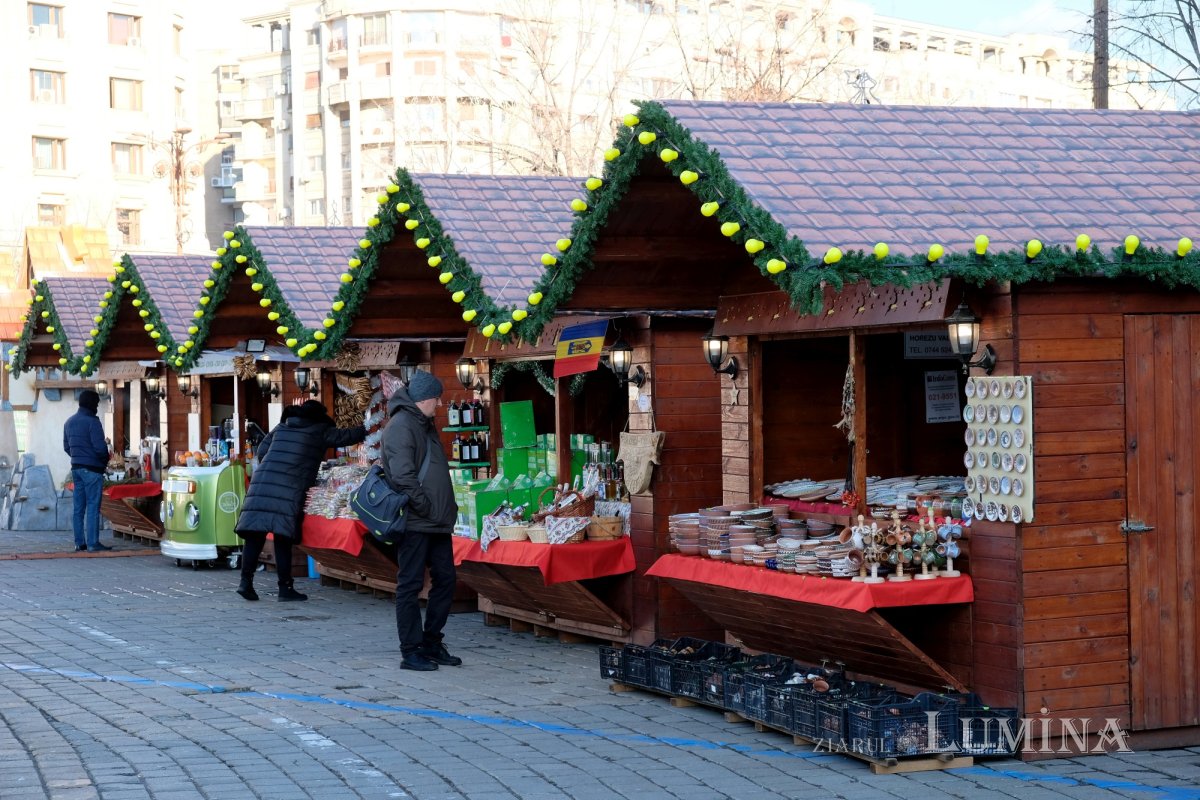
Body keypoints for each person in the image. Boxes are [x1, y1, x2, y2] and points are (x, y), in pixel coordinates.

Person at [235, 400, 365, 601]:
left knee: (255, 534)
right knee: (283, 537)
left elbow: (262, 451)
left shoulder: (283, 426)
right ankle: (285, 589)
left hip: (262, 483)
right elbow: (347, 436)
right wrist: (369, 426)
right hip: (289, 486)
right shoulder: (319, 429)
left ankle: (246, 583)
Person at [381, 369, 460, 671]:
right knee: (410, 584)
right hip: (417, 520)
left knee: (446, 580)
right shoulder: (402, 426)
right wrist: (425, 506)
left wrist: (444, 509)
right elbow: (403, 476)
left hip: (437, 520)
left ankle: (431, 641)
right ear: (424, 399)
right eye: (437, 399)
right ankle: (411, 650)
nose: (439, 405)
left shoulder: (423, 424)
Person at [62, 389, 112, 552]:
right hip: (92, 470)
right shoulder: (93, 422)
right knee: (92, 506)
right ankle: (93, 543)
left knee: (78, 508)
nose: (97, 406)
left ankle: (79, 543)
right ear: (92, 404)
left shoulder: (69, 422)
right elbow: (100, 448)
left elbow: (66, 447)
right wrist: (104, 462)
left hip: (76, 468)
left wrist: (78, 457)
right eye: (97, 403)